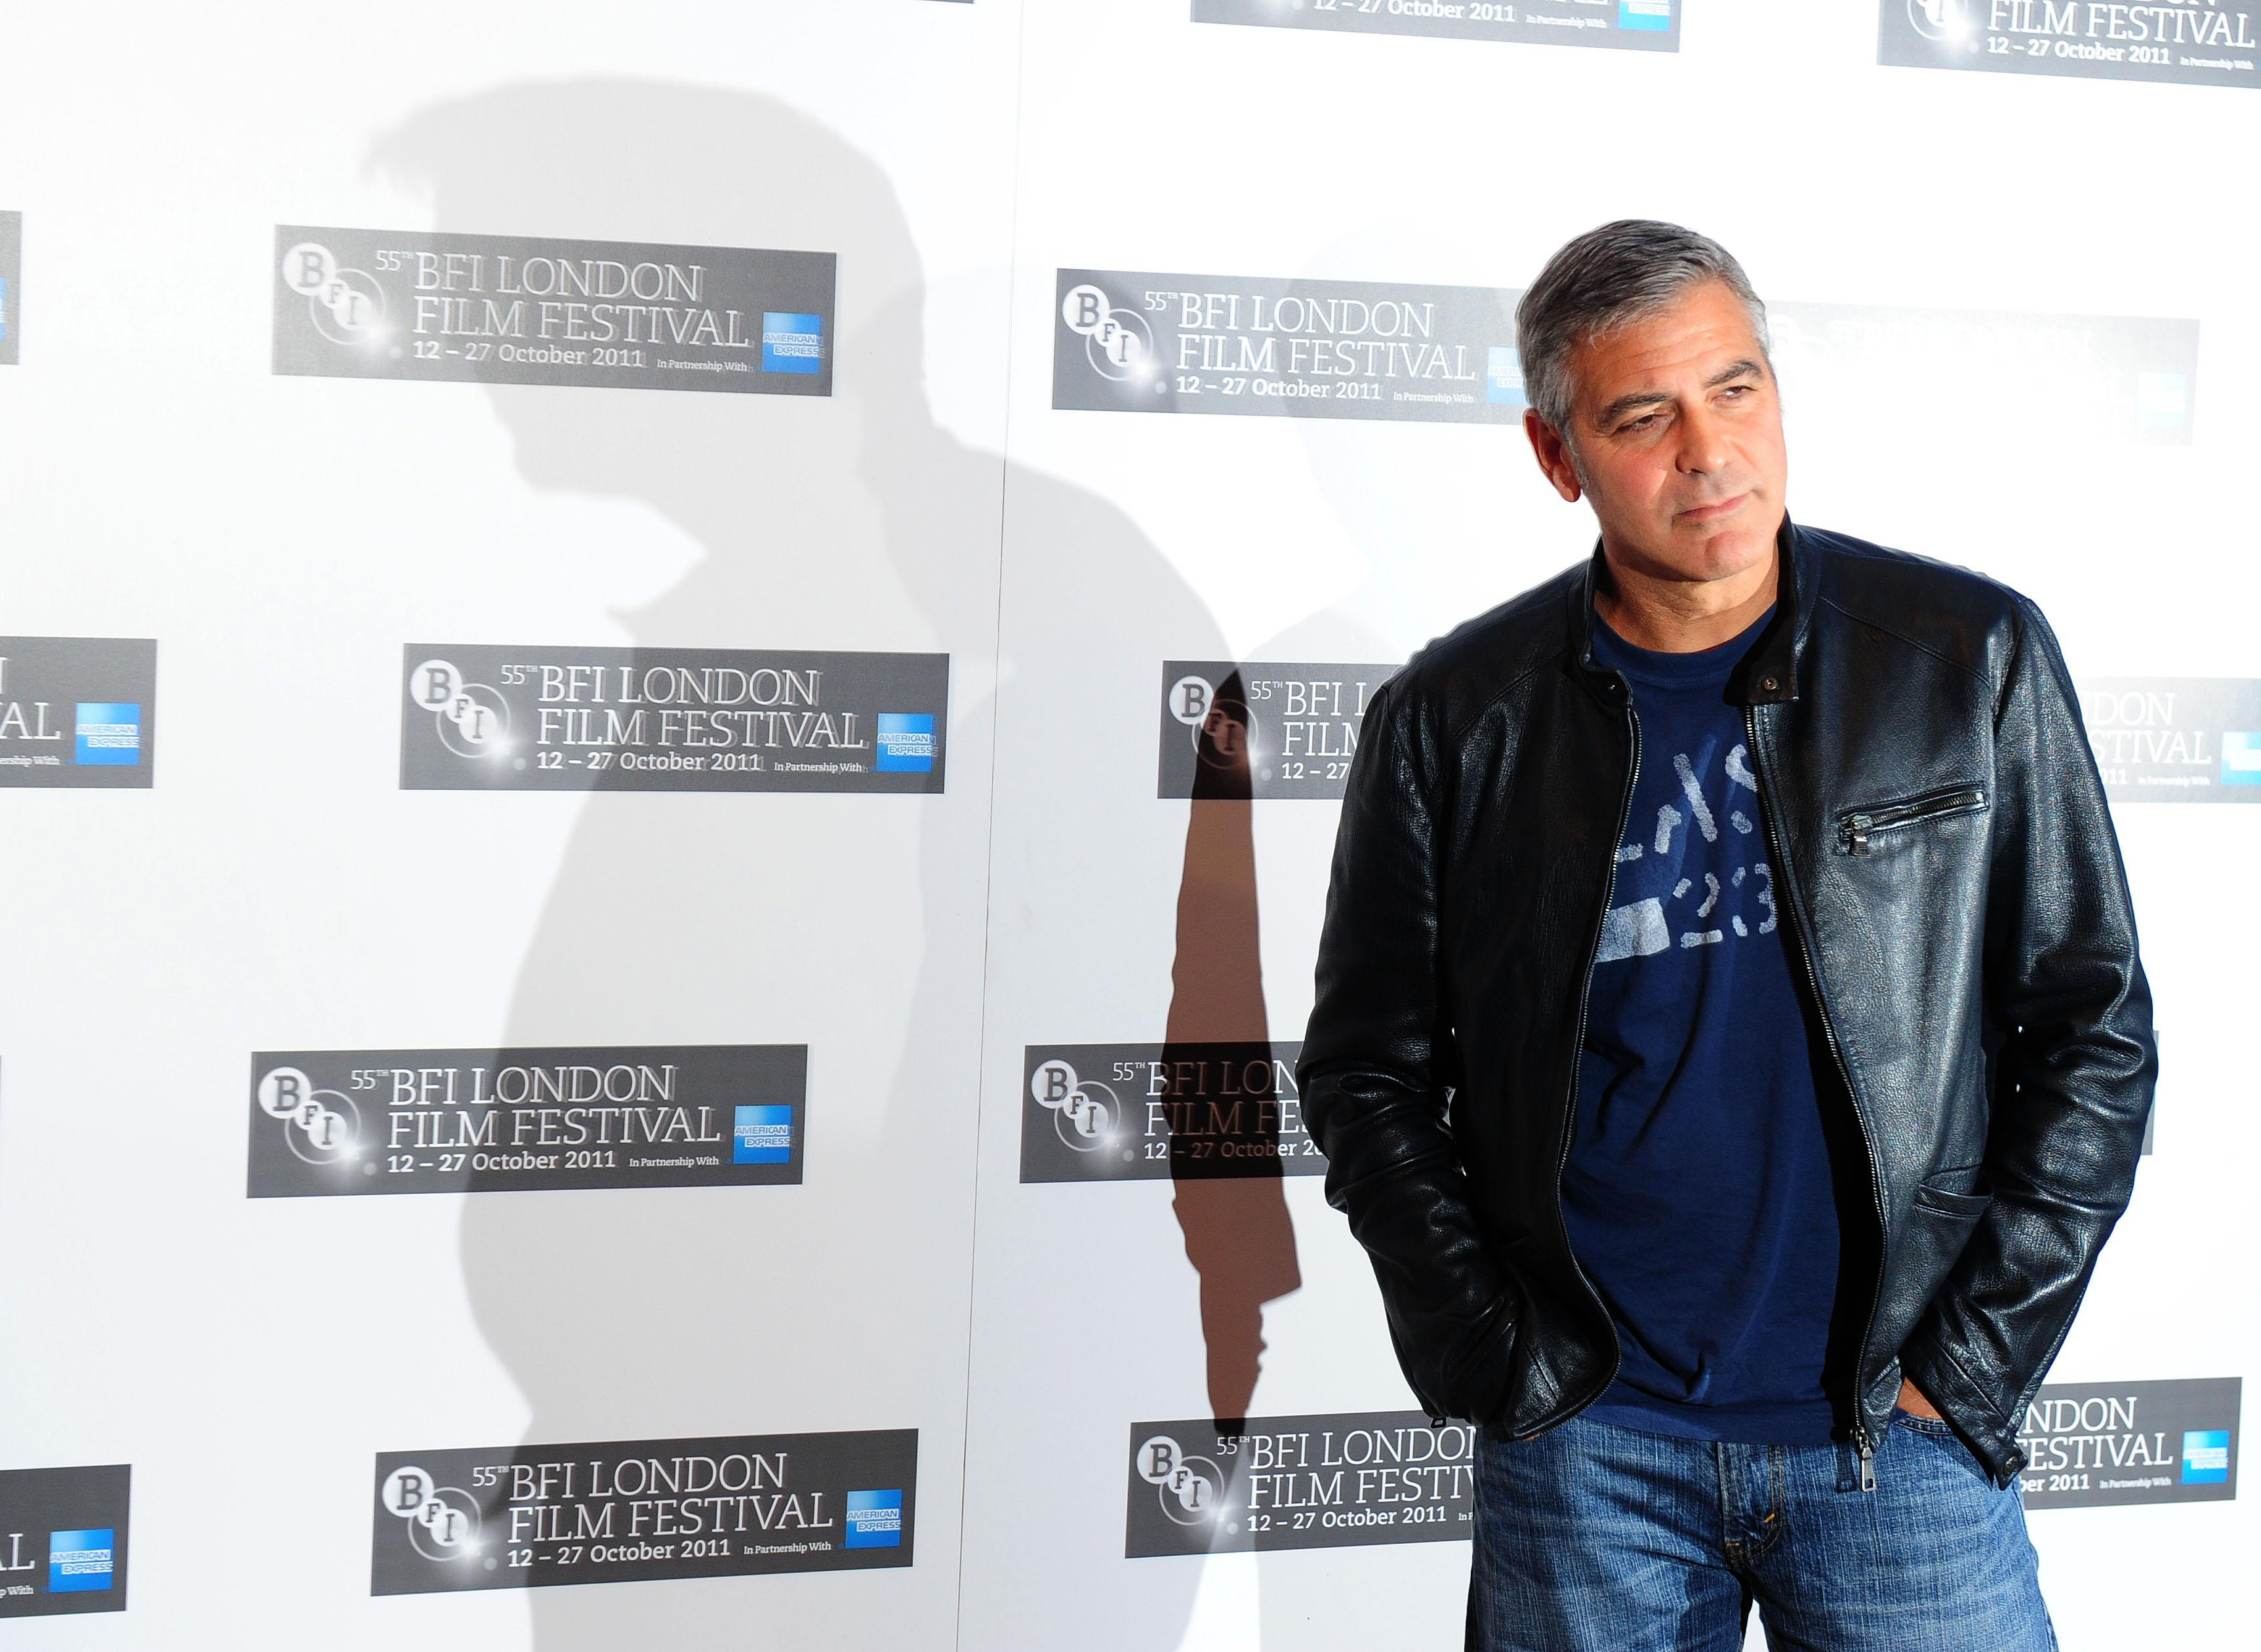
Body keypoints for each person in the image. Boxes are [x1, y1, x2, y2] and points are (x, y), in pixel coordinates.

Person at [1298, 220, 2155, 1650]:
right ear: (1556, 455)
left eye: (1736, 389)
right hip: (1591, 1450)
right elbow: (1366, 1072)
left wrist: (1973, 1361)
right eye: (1643, 418)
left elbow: (2093, 1028)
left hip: (1895, 1437)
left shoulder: (1963, 658)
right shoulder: (1456, 719)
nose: (1709, 453)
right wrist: (1495, 1358)